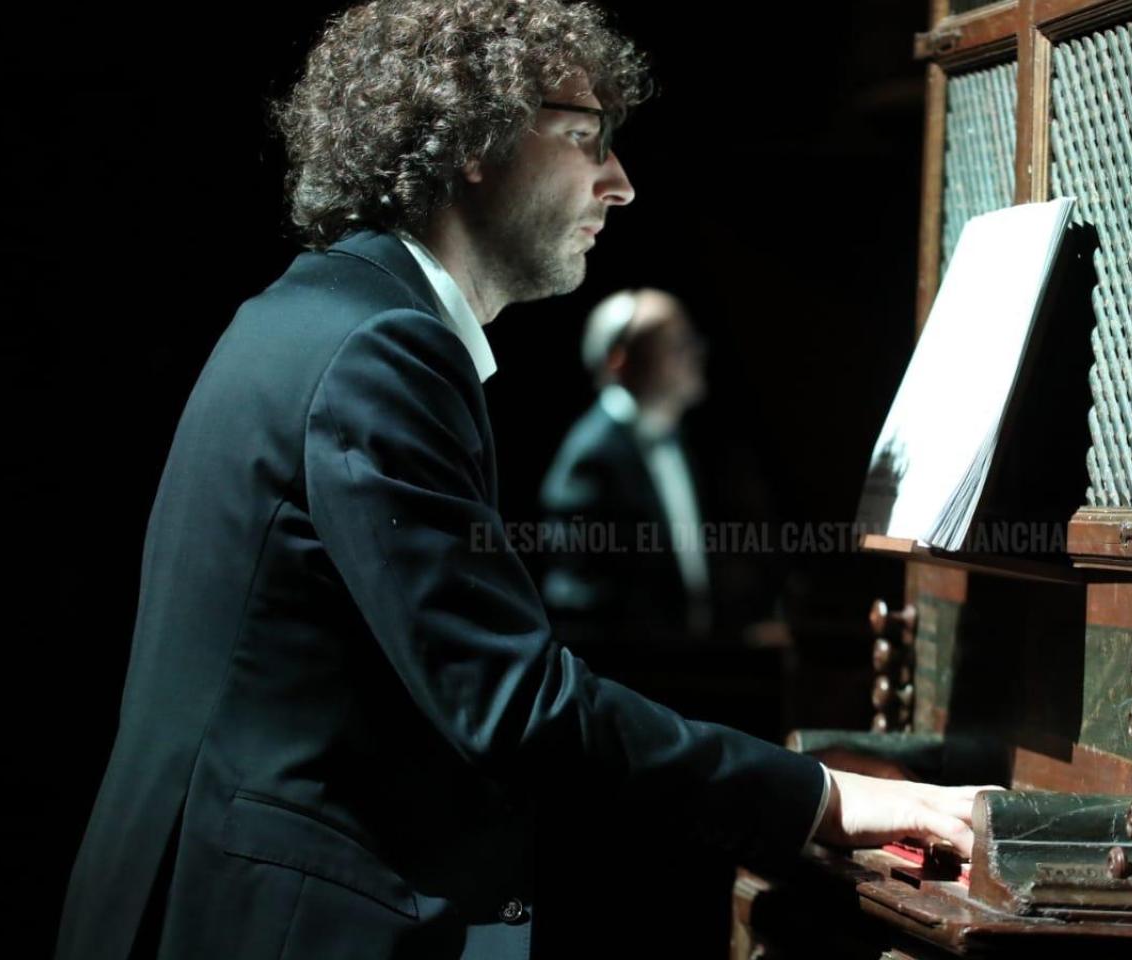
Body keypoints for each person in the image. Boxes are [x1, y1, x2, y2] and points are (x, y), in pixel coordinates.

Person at [55, 2, 990, 958]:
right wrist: (829, 797)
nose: (620, 184)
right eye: (586, 139)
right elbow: (514, 705)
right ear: (473, 138)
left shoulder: (314, 311)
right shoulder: (382, 348)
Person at [540, 288, 713, 643]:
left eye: (690, 340)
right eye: (674, 344)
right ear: (620, 360)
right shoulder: (591, 456)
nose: (694, 353)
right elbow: (578, 596)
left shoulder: (675, 440)